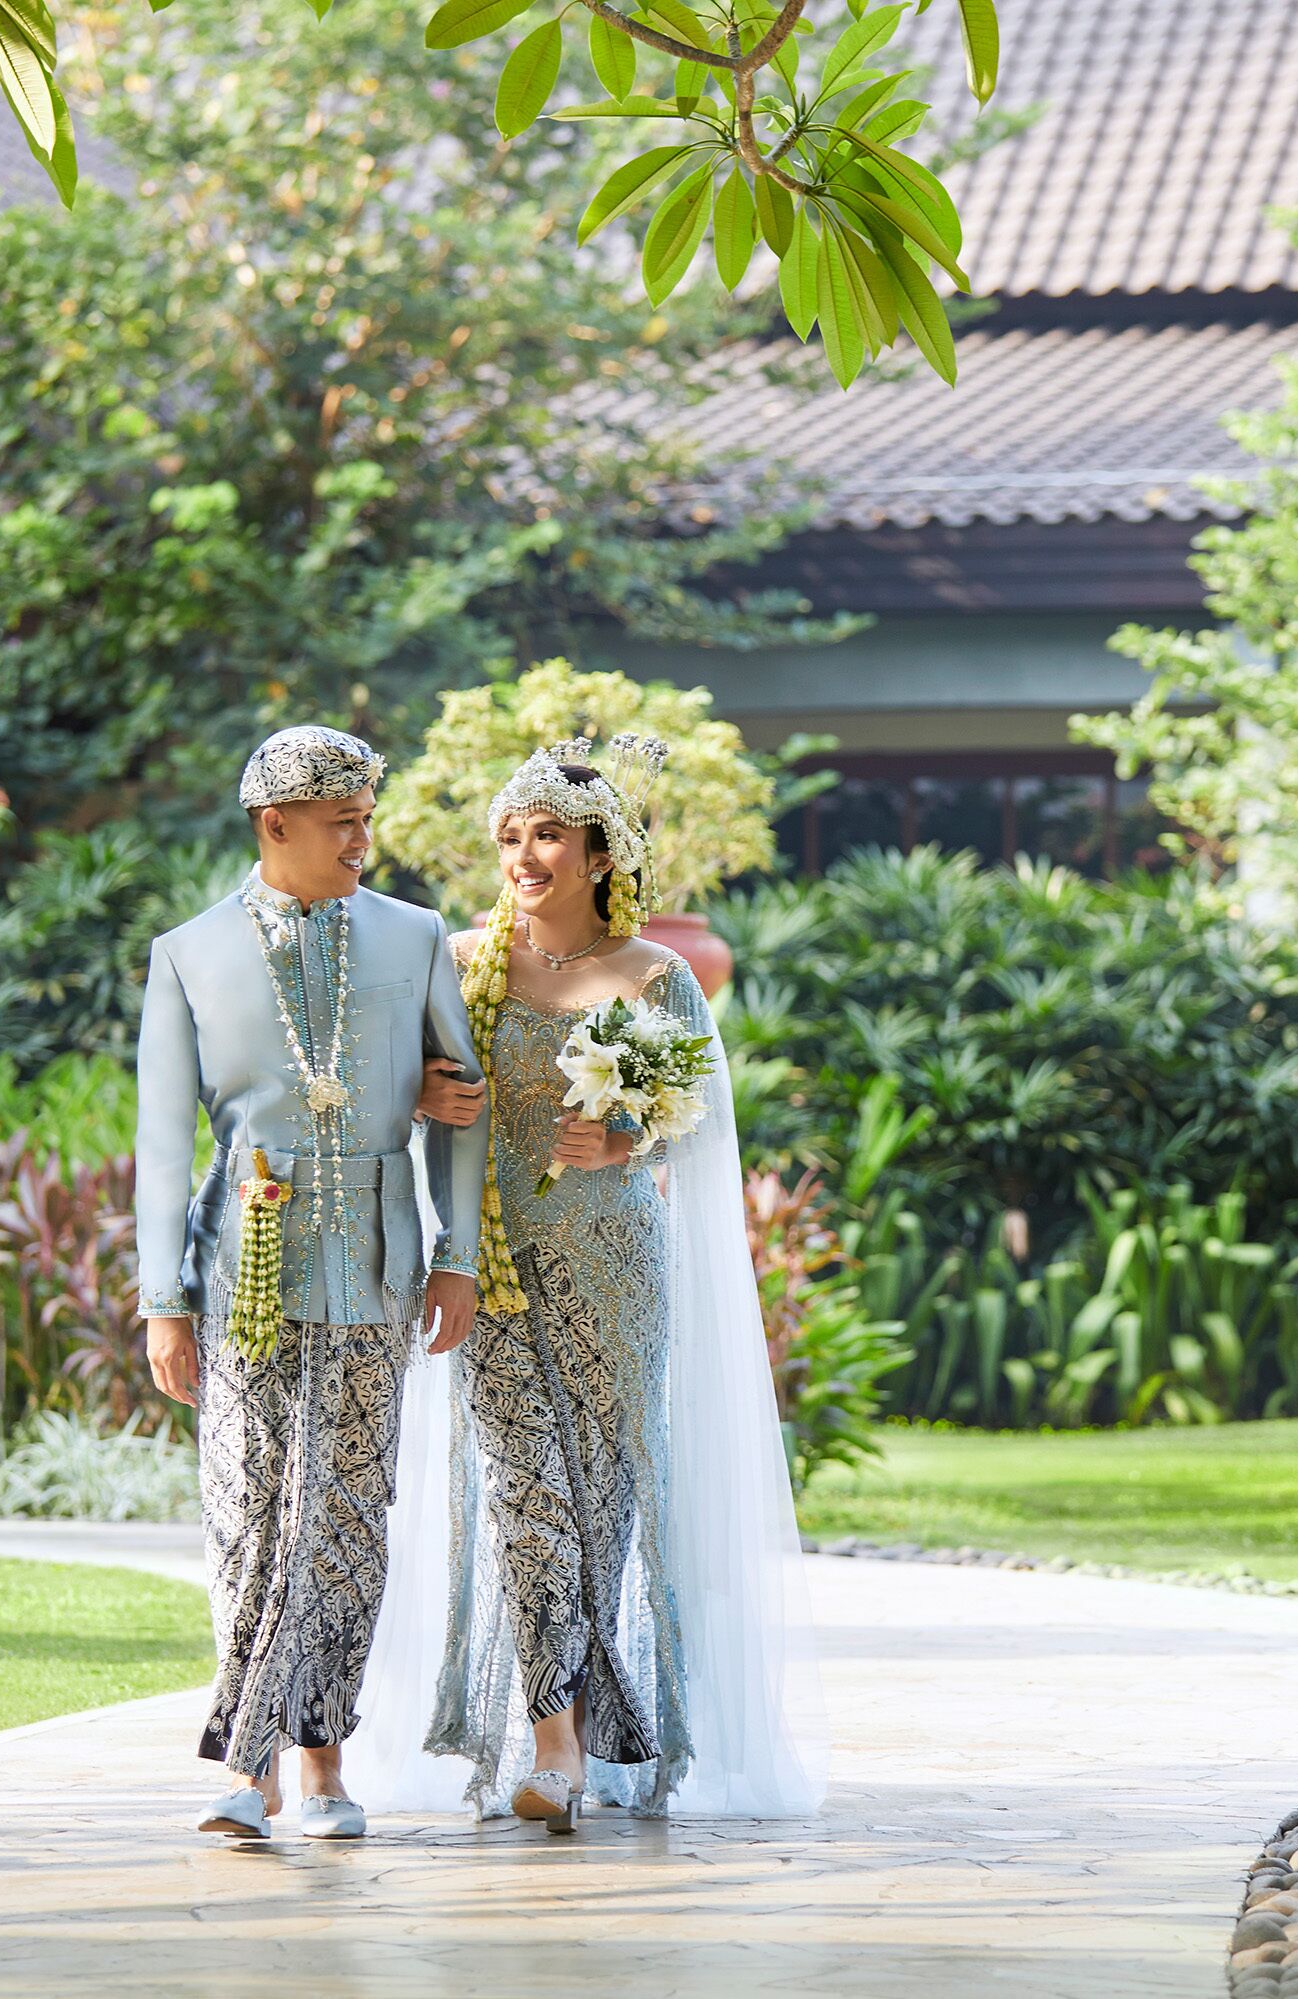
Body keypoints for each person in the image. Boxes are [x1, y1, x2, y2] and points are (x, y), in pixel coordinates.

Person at [405, 734, 824, 1831]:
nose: (523, 854)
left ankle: (599, 1730)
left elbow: (700, 1125)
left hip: (617, 1266)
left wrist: (629, 1136)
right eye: (510, 835)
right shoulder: (455, 964)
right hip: (488, 1268)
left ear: (599, 855)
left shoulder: (656, 975)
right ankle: (553, 1748)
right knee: (522, 1496)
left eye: (546, 835)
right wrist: (423, 1103)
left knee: (601, 1507)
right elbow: (407, 1094)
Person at [133, 723, 487, 1842]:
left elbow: (462, 1105)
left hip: (379, 1267)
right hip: (244, 1263)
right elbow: (158, 1144)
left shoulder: (416, 934)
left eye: (368, 820)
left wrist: (459, 1253)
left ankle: (321, 1766)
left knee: (343, 1518)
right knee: (247, 1511)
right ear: (273, 825)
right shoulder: (185, 953)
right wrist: (161, 1299)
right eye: (343, 824)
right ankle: (252, 1766)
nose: (363, 844)